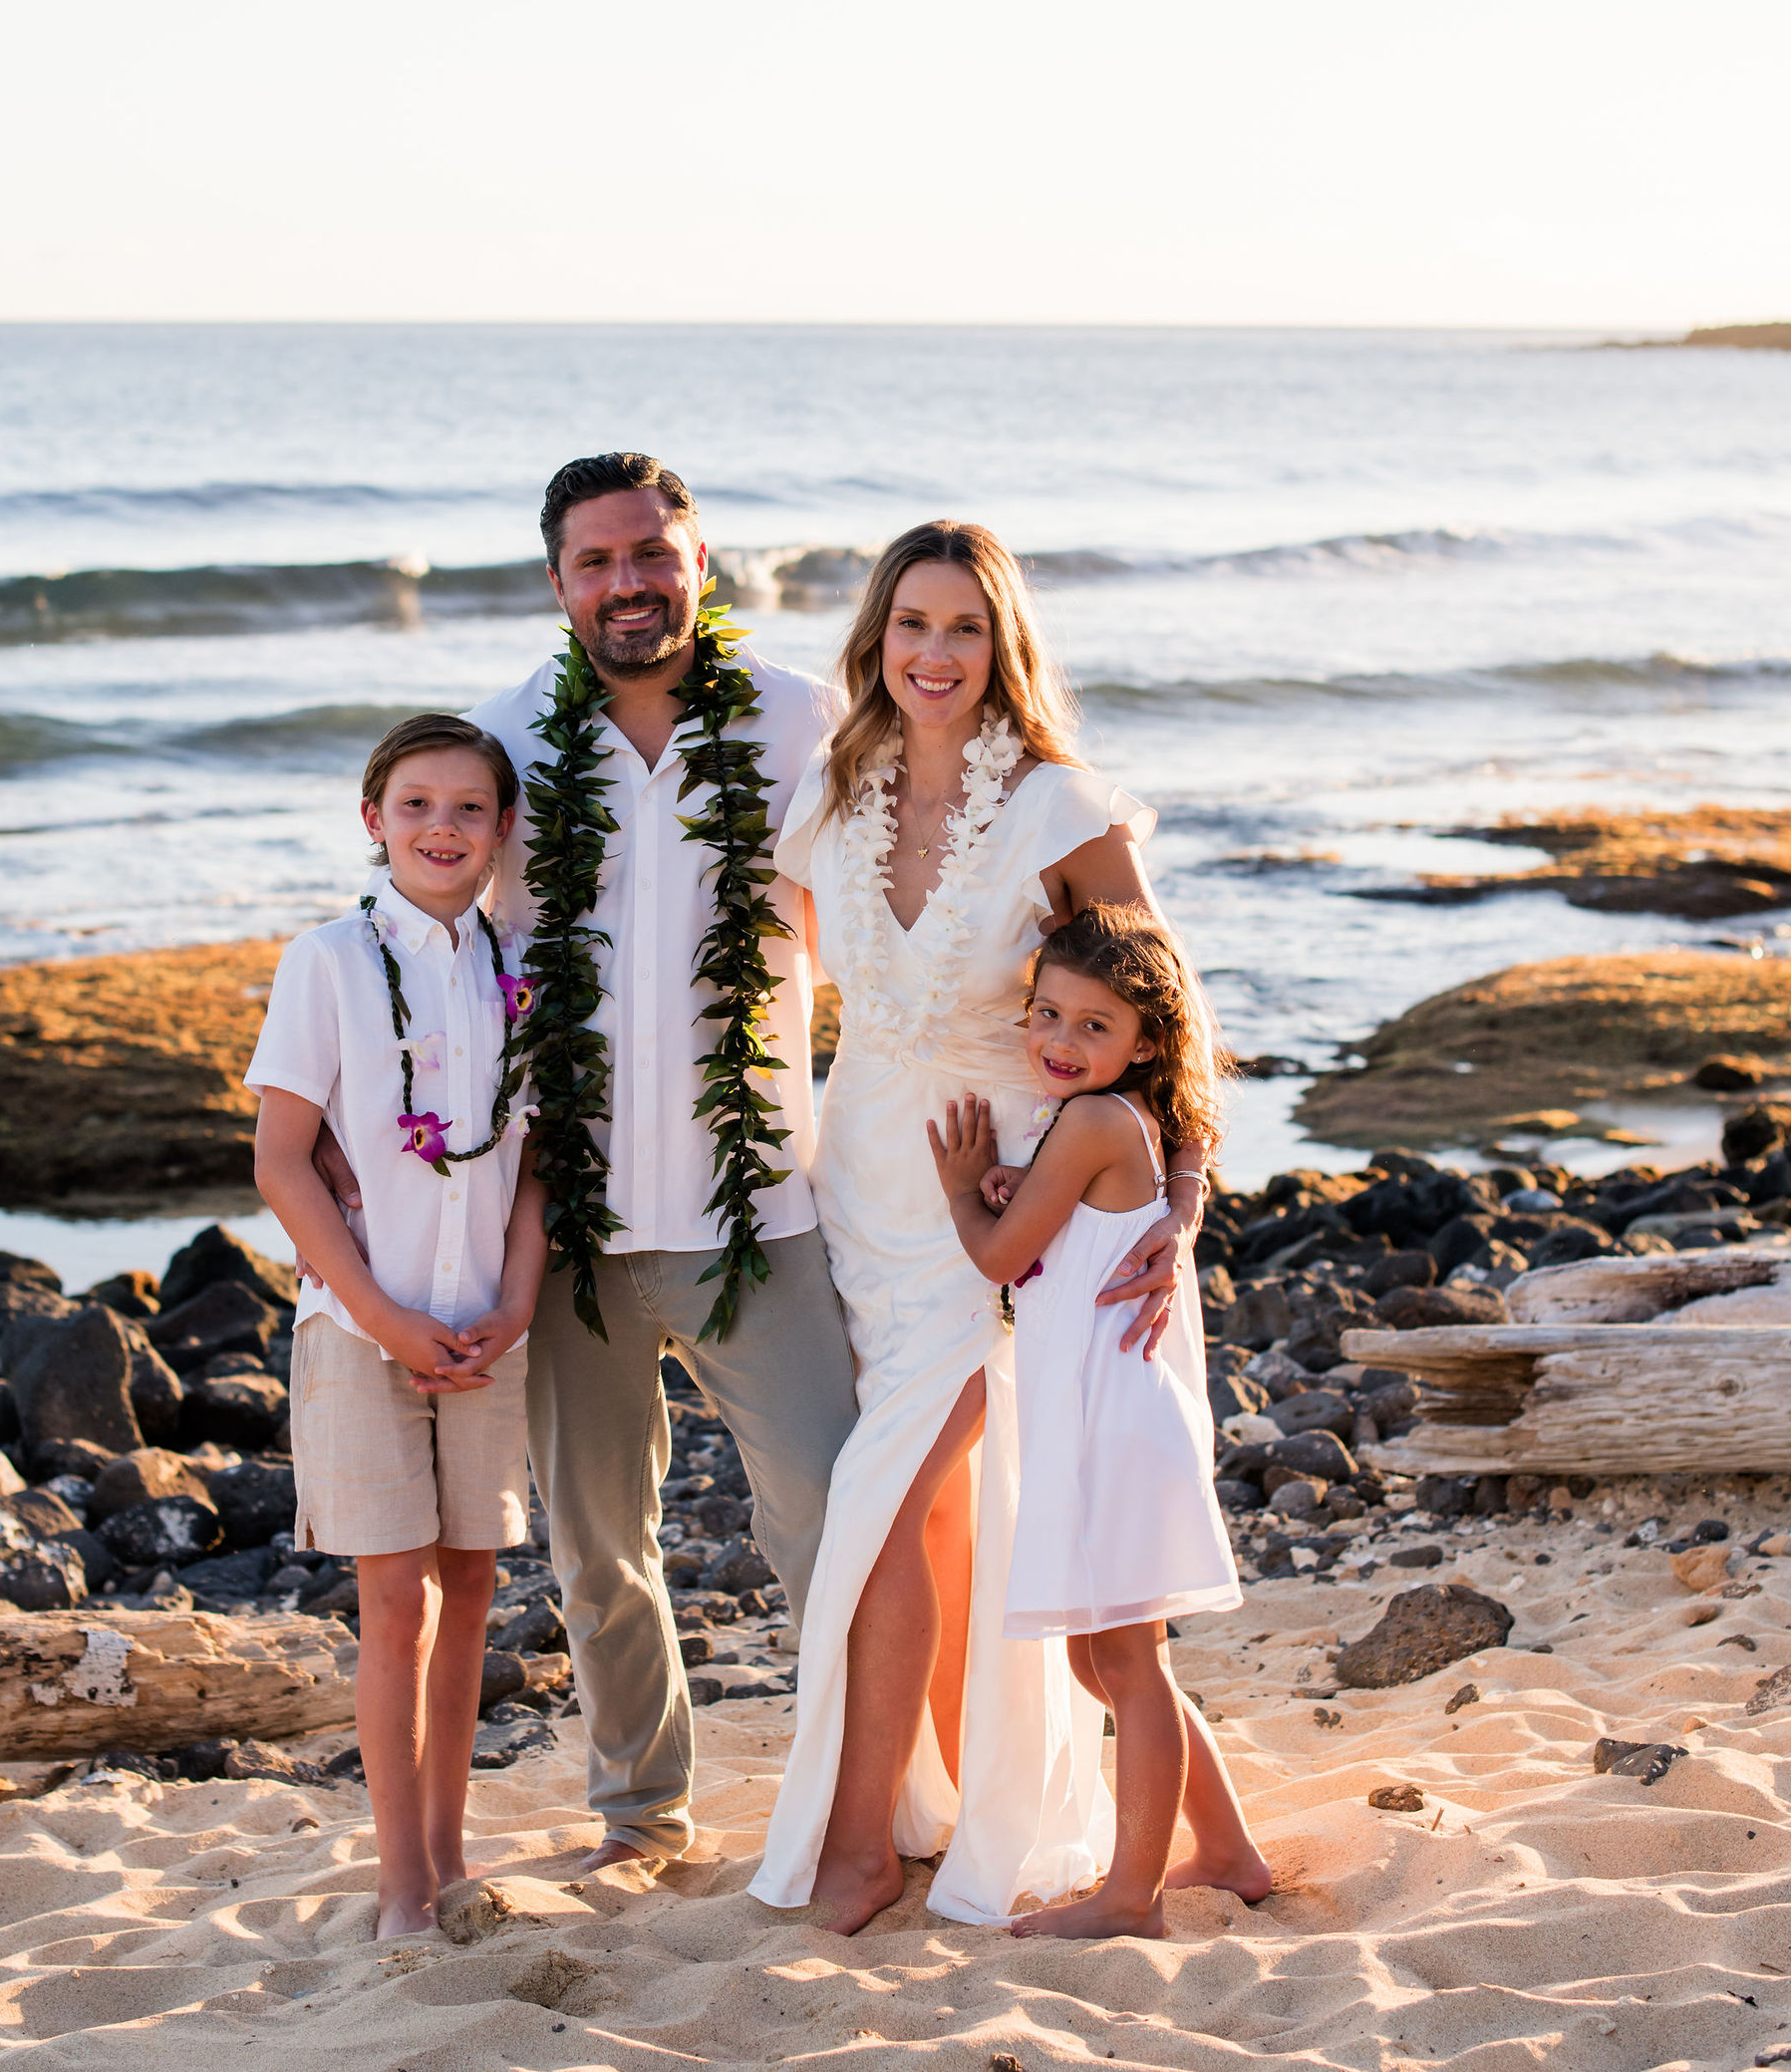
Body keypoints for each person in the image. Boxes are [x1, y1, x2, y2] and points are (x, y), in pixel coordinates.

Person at [749, 519, 1215, 1935]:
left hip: (1002, 1197)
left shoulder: (1056, 805)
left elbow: (1167, 1006)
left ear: (1001, 646)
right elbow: (785, 974)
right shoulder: (835, 793)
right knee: (942, 1510)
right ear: (875, 640)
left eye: (963, 627)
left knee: (886, 1498)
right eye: (911, 624)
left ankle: (857, 1845)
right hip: (861, 1186)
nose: (934, 654)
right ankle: (954, 1805)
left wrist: (1181, 1195)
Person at [460, 451, 863, 1874]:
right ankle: (641, 1816)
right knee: (595, 1549)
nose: (627, 582)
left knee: (826, 1513)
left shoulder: (801, 719)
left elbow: (879, 930)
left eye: (651, 553)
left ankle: (856, 1800)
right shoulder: (504, 739)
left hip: (761, 1205)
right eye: (597, 560)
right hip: (566, 1223)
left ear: (700, 560)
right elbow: (448, 959)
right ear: (557, 581)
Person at [250, 712, 546, 1939]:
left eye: (469, 808)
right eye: (416, 805)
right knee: (395, 1602)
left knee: (470, 1588)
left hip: (484, 1328)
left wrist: (515, 1302)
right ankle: (399, 1884)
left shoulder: (519, 973)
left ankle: (449, 1852)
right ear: (372, 820)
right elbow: (281, 1161)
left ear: (503, 828)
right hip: (357, 1324)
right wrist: (380, 1314)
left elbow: (534, 1169)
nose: (442, 827)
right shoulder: (326, 962)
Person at [928, 903, 1269, 1939]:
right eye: (1046, 1013)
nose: (1059, 1040)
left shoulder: (1090, 1125)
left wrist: (963, 1189)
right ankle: (1228, 1854)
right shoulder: (1111, 1122)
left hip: (1107, 1425)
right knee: (1103, 1660)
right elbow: (1061, 1226)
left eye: (1093, 1025)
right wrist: (1017, 1184)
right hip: (1104, 1415)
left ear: (1146, 1043)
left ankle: (1131, 1897)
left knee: (1126, 1664)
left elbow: (999, 1257)